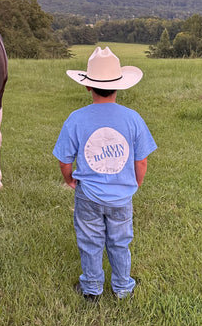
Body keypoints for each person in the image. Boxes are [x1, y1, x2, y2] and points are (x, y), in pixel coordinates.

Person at [53, 46, 157, 302]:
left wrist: (70, 180)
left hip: (87, 195)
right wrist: (135, 184)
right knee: (120, 242)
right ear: (119, 86)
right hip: (122, 197)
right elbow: (141, 160)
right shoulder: (133, 119)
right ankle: (123, 287)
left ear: (87, 86)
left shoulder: (75, 119)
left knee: (90, 241)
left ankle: (92, 289)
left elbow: (65, 160)